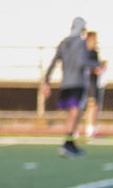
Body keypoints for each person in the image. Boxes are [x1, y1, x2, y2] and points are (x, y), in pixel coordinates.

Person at [40, 18, 93, 156]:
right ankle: (68, 142)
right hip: (77, 82)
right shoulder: (80, 43)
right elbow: (82, 61)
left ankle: (69, 143)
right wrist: (96, 65)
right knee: (76, 112)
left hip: (65, 83)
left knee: (71, 113)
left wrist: (46, 80)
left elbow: (53, 62)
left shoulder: (64, 43)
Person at [82, 31, 106, 139]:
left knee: (94, 105)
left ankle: (92, 127)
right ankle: (88, 129)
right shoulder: (85, 52)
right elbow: (85, 67)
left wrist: (101, 66)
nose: (96, 42)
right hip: (87, 81)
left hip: (94, 81)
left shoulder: (95, 52)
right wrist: (95, 68)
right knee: (90, 105)